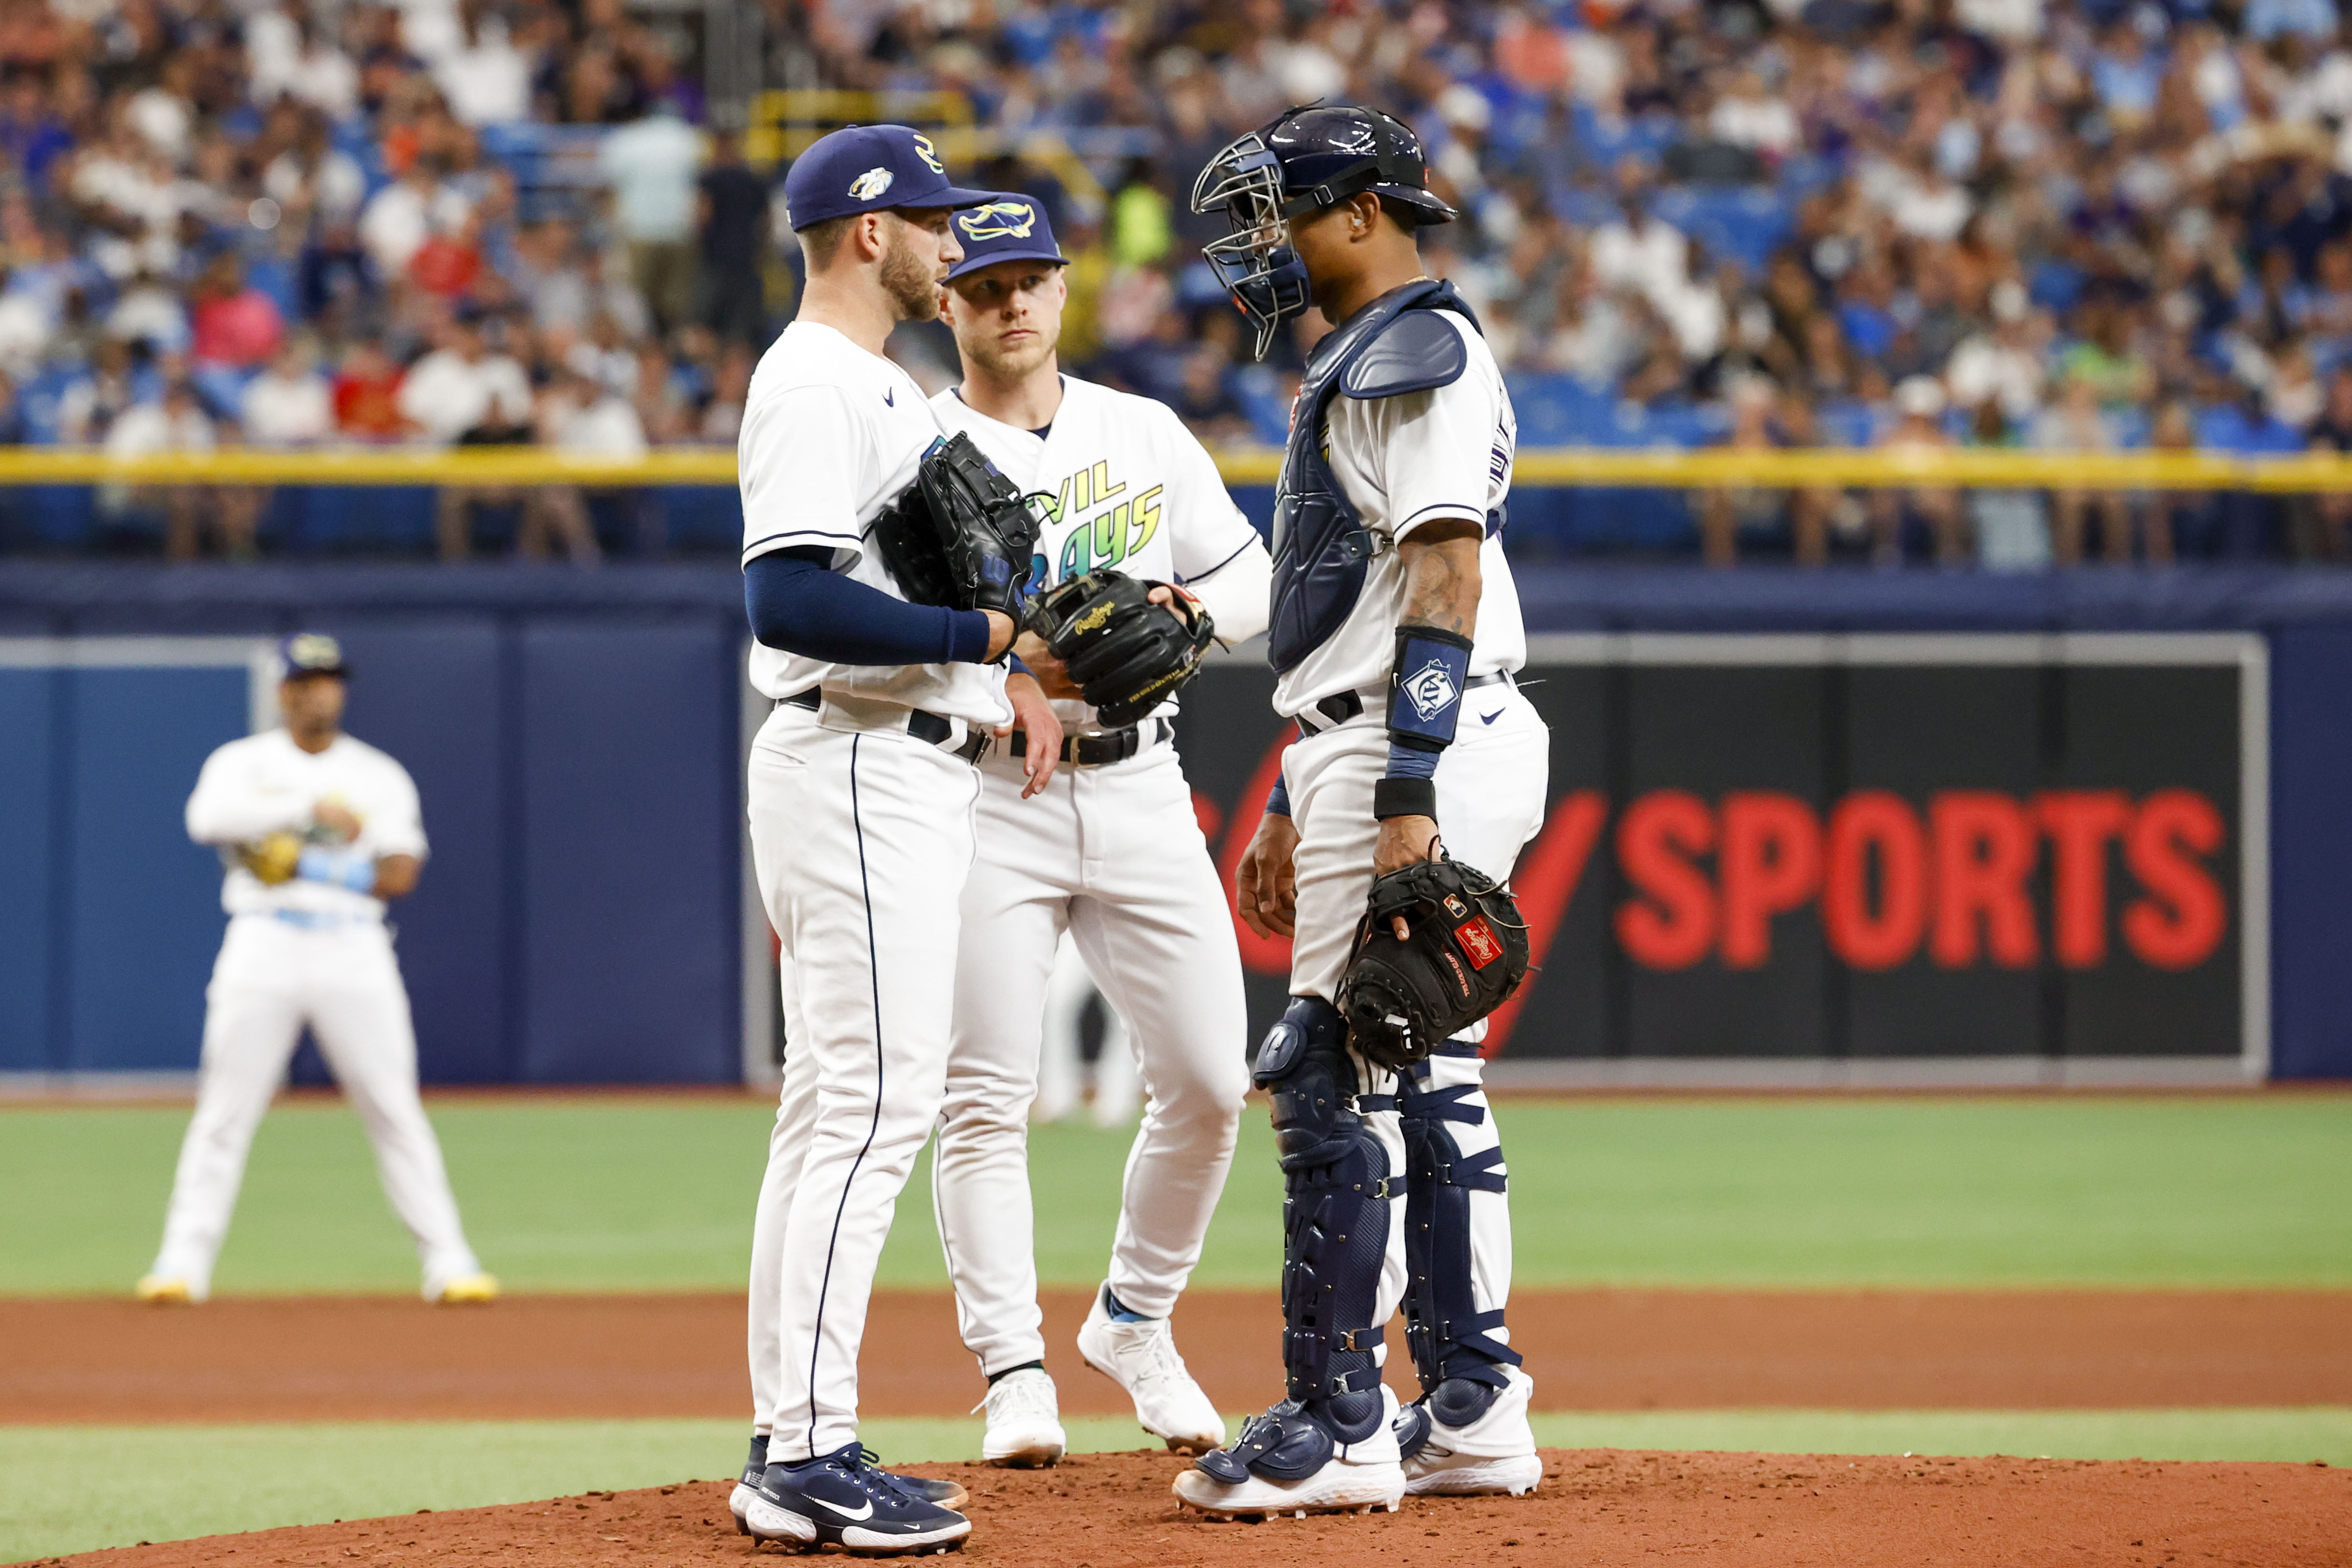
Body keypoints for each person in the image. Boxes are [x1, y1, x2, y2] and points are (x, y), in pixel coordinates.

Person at [1178, 104, 1550, 1516]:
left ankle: (1337, 1416)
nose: (1255, 244)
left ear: (1356, 213)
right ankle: (1471, 1399)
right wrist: (1295, 784)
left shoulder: (1414, 351)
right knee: (1423, 1065)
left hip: (1418, 742)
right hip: (1384, 731)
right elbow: (1368, 603)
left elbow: (1443, 576)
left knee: (1327, 1064)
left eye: (1275, 212)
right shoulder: (1375, 355)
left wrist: (1401, 790)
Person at [730, 125, 1058, 1557]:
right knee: (869, 1109)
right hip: (860, 753)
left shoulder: (883, 384)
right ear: (868, 231)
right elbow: (787, 599)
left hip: (906, 753)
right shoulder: (812, 380)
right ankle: (804, 1452)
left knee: (834, 1112)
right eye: (929, 221)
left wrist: (1013, 670)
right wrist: (980, 634)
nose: (948, 243)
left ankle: (791, 1429)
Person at [919, 192, 1271, 1467]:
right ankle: (1013, 1369)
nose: (1011, 302)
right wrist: (993, 672)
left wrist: (1183, 613)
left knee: (1208, 1081)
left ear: (1064, 290)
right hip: (983, 790)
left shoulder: (1141, 429)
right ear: (945, 301)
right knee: (983, 1096)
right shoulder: (912, 451)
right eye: (983, 283)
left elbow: (1253, 582)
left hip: (1136, 784)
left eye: (1029, 279)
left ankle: (1133, 1317)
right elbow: (876, 645)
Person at [139, 633, 495, 1308]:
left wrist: (308, 862)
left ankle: (449, 1261)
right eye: (308, 679)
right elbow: (206, 819)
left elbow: (401, 870)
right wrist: (305, 812)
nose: (321, 690)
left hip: (352, 945)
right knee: (224, 1111)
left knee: (393, 1106)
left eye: (331, 678)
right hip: (263, 941)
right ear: (284, 691)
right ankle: (181, 1265)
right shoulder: (243, 762)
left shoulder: (377, 772)